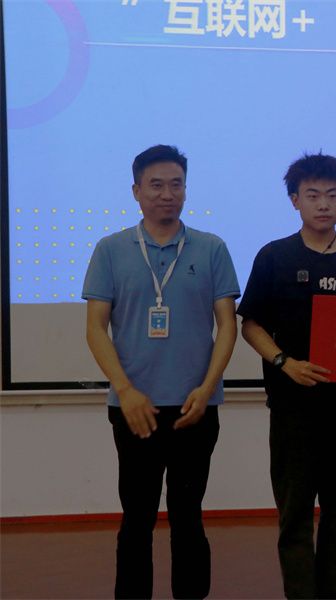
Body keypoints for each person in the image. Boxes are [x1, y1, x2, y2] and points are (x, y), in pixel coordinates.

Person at [83, 144, 240, 599]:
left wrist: (207, 388)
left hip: (195, 406)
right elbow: (95, 328)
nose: (167, 194)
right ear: (136, 191)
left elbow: (228, 325)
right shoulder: (110, 250)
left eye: (176, 184)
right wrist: (125, 390)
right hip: (136, 408)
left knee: (189, 515)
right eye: (156, 185)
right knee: (137, 517)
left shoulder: (211, 248)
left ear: (186, 190)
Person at [237, 153, 336, 599]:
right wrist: (284, 362)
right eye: (312, 195)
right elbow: (251, 325)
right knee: (295, 512)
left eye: (332, 195)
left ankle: (332, 592)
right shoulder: (274, 256)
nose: (323, 204)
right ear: (295, 200)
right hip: (293, 407)